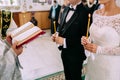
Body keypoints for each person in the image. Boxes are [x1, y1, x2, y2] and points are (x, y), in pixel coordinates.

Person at [51, 0, 98, 80]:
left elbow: (85, 39)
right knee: (68, 76)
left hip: (76, 54)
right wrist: (57, 34)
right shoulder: (65, 9)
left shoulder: (86, 12)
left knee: (75, 77)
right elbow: (61, 25)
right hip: (64, 52)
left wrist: (64, 41)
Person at [81, 0, 120, 80]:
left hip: (110, 67)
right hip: (93, 63)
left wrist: (100, 50)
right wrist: (87, 41)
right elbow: (94, 37)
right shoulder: (96, 13)